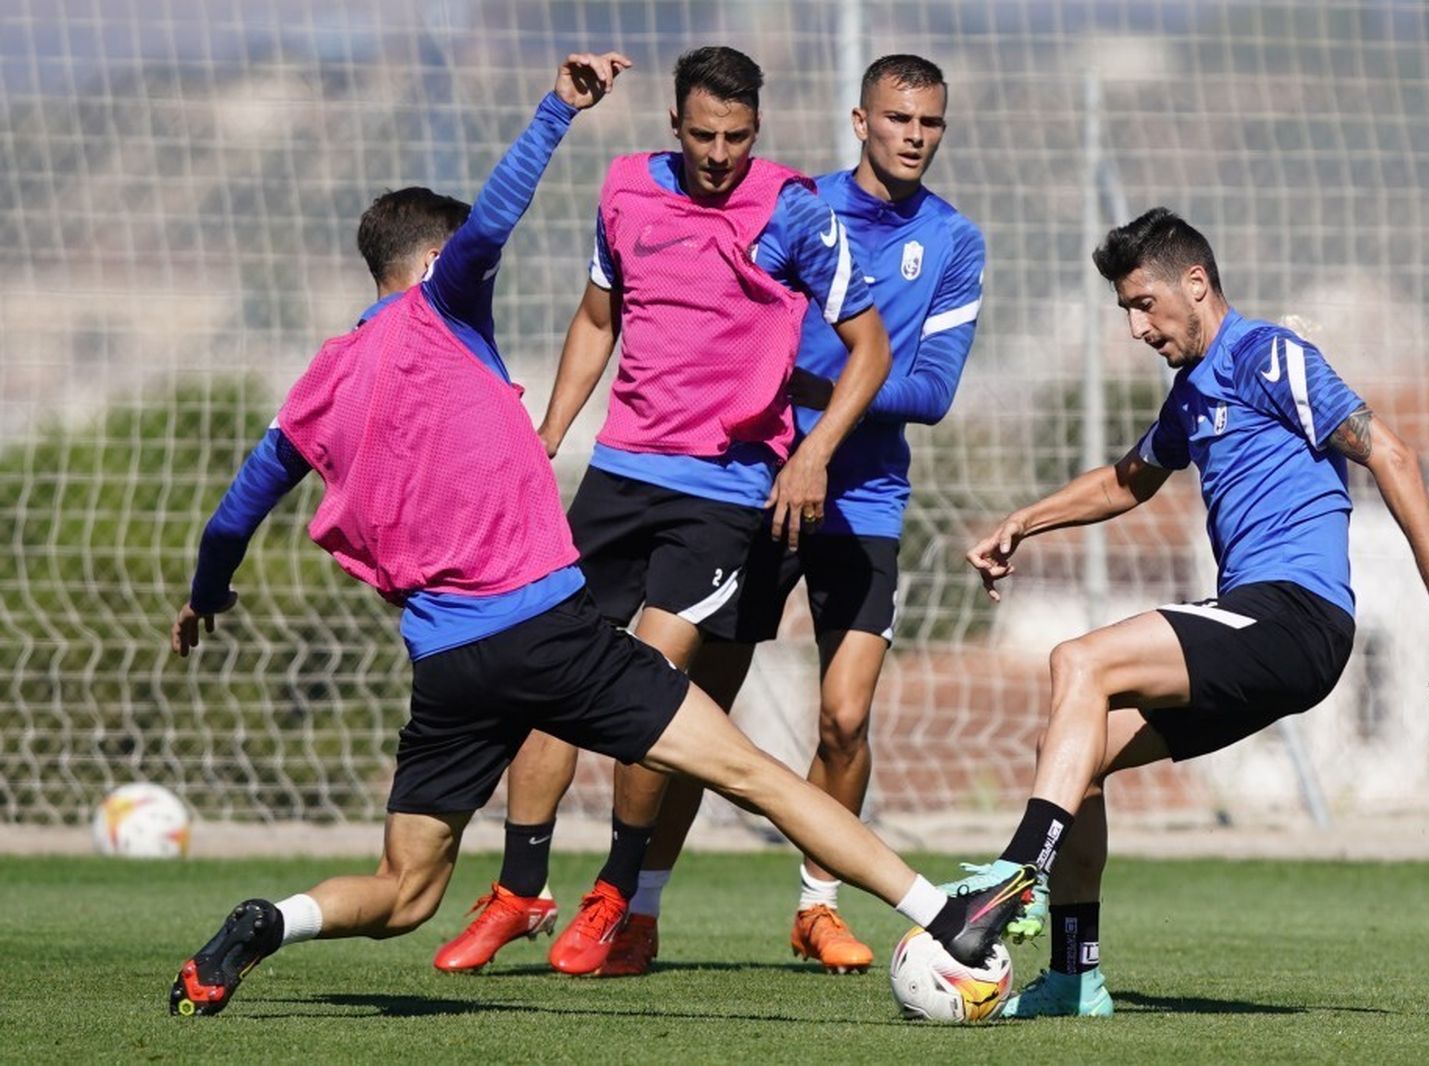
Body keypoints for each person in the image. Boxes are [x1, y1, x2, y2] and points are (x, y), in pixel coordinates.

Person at [165, 52, 1017, 1019]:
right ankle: (946, 911)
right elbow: (499, 215)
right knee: (754, 772)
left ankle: (268, 922)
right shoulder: (451, 303)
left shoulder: (317, 385)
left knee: (404, 890)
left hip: (445, 663)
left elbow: (231, 517)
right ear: (439, 267)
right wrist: (555, 112)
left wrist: (206, 596)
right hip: (550, 631)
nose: (719, 154)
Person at [955, 207, 1429, 1019]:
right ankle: (1076, 975)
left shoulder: (1268, 355)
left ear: (1196, 283)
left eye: (1144, 304)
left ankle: (1016, 874)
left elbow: (1390, 452)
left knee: (1078, 660)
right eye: (1126, 311)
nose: (1138, 328)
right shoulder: (1191, 393)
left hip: (1297, 617)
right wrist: (1023, 521)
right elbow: (1128, 481)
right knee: (1069, 752)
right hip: (1254, 624)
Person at [432, 45, 896, 978]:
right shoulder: (625, 190)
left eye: (736, 137)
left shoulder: (793, 210)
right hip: (619, 474)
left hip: (723, 493)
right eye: (703, 136)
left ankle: (615, 892)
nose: (719, 155)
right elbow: (596, 319)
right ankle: (521, 889)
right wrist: (549, 431)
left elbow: (871, 348)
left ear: (756, 131)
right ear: (673, 126)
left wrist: (812, 453)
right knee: (548, 670)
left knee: (643, 682)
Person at [602, 53, 986, 978]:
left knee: (845, 718)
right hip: (757, 490)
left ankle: (818, 906)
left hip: (867, 502)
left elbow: (932, 393)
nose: (914, 136)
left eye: (929, 122)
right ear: (860, 121)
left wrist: (816, 392)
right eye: (898, 118)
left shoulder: (955, 240)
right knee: (694, 712)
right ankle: (637, 907)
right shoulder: (792, 205)